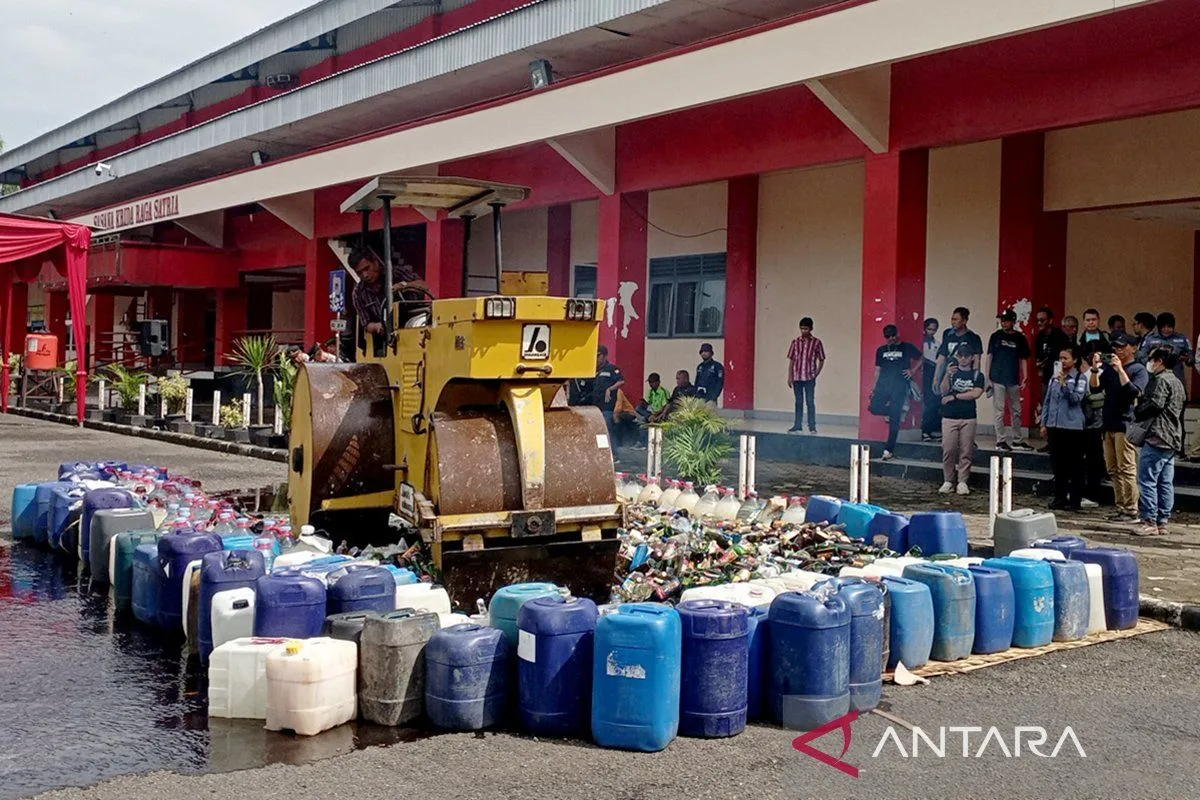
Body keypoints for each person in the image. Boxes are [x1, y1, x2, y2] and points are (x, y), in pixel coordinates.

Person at [1092, 332, 1150, 523]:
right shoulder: (1109, 368)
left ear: (1133, 348)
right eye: (1116, 347)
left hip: (1126, 424)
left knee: (1127, 468)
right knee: (1113, 469)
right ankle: (1121, 506)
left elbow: (1133, 392)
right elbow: (1095, 389)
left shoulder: (1139, 369)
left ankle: (1132, 508)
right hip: (1108, 423)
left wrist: (1120, 371)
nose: (1118, 351)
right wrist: (1094, 370)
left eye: (1123, 347)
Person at [1134, 347, 1185, 536]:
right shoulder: (1177, 381)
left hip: (1158, 435)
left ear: (1160, 361)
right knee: (1165, 482)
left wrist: (1138, 408)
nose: (1150, 363)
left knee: (1147, 480)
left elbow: (1155, 404)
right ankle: (1163, 520)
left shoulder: (1161, 380)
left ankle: (1150, 520)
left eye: (1152, 359)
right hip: (1172, 437)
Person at [1040, 347, 1089, 510]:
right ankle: (1059, 497)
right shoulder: (1053, 378)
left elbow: (1076, 399)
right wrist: (1044, 423)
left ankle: (1075, 500)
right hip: (1055, 425)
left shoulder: (1080, 378)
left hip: (1072, 427)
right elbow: (1048, 401)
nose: (1062, 361)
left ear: (1074, 360)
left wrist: (1065, 385)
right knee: (1058, 465)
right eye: (1060, 358)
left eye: (1066, 358)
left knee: (1074, 465)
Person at [349, 246, 428, 338]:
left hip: (415, 326)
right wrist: (376, 326)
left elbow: (424, 286)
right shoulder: (358, 293)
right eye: (359, 273)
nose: (365, 275)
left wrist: (403, 285)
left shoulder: (396, 274)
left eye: (367, 268)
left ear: (375, 262)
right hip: (387, 337)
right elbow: (366, 324)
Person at [870, 324, 921, 461]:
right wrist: (873, 388)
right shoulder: (881, 350)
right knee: (873, 408)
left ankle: (888, 449)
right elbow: (878, 370)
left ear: (897, 334)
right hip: (883, 386)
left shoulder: (906, 347)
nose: (891, 339)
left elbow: (921, 358)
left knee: (894, 421)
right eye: (887, 336)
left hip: (899, 386)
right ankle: (894, 412)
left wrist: (913, 371)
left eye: (893, 335)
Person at [939, 342, 984, 495]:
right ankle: (948, 480)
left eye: (966, 356)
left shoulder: (978, 375)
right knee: (948, 449)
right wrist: (946, 374)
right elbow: (942, 391)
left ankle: (963, 481)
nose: (963, 359)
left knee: (966, 450)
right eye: (960, 356)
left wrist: (955, 396)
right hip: (949, 416)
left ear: (972, 358)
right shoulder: (952, 372)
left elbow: (976, 393)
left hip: (968, 417)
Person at [984, 310, 1032, 452]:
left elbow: (1023, 358)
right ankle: (1001, 440)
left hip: (1013, 378)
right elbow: (989, 356)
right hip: (997, 378)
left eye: (1006, 320)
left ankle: (1017, 439)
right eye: (1002, 320)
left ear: (1013, 321)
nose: (1004, 323)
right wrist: (987, 377)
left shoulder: (1020, 338)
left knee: (1016, 410)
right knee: (999, 411)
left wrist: (1025, 375)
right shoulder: (996, 336)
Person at [786, 317, 825, 433]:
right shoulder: (795, 342)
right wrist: (790, 376)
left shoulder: (817, 343)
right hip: (797, 377)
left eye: (806, 329)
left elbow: (822, 359)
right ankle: (797, 425)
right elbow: (792, 360)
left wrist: (816, 373)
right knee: (798, 402)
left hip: (809, 377)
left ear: (811, 329)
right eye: (802, 329)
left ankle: (812, 426)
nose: (804, 331)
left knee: (810, 401)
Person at [934, 307, 983, 389]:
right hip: (949, 372)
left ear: (964, 321)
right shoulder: (947, 334)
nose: (953, 322)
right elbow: (941, 358)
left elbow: (976, 360)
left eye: (956, 319)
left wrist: (975, 378)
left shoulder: (973, 337)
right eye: (952, 319)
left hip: (965, 375)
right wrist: (936, 378)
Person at [1139, 312, 1192, 382]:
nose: (1166, 329)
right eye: (1163, 327)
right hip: (1155, 377)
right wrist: (1153, 362)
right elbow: (1141, 356)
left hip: (1176, 376)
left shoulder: (1182, 339)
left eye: (1169, 327)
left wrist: (1187, 359)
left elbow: (1192, 358)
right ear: (1159, 327)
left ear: (1173, 327)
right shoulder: (1150, 339)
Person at [592, 345, 625, 448]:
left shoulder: (612, 368)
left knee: (608, 429)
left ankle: (615, 454)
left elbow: (621, 381)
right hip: (596, 405)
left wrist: (610, 389)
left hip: (607, 406)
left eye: (599, 356)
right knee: (598, 431)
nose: (597, 358)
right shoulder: (594, 369)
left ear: (605, 356)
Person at [920, 318, 942, 442]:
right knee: (928, 402)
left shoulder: (937, 344)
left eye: (934, 330)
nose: (931, 332)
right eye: (929, 329)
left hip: (934, 372)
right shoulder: (920, 342)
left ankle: (932, 429)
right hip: (924, 372)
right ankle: (925, 430)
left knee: (935, 401)